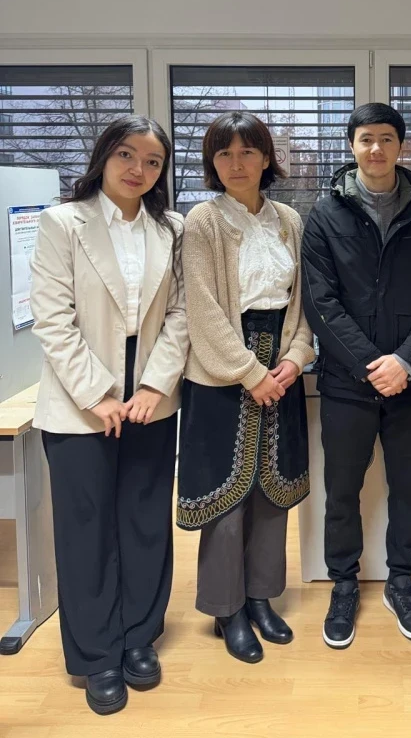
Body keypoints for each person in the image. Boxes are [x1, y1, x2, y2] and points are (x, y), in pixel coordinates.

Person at [29, 115, 188, 716]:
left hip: (150, 400)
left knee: (145, 521)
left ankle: (139, 636)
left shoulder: (171, 228)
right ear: (104, 156)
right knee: (87, 530)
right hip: (78, 404)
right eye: (126, 154)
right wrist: (98, 395)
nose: (137, 169)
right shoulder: (62, 223)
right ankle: (97, 653)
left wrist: (151, 386)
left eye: (152, 161)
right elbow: (53, 318)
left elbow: (180, 314)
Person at [301, 102, 411, 648]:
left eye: (386, 138)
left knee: (408, 488)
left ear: (400, 146)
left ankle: (401, 580)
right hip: (347, 382)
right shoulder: (325, 215)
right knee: (342, 490)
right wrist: (372, 365)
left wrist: (405, 361)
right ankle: (343, 584)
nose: (376, 148)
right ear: (352, 145)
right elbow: (321, 302)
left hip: (410, 382)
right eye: (366, 138)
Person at [177, 111, 315, 665]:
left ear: (266, 158)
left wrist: (295, 358)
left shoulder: (289, 219)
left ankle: (260, 597)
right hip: (221, 372)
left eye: (247, 152)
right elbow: (202, 308)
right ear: (212, 163)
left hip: (281, 366)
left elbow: (303, 302)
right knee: (226, 496)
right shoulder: (202, 221)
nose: (237, 163)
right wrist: (250, 372)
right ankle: (226, 609)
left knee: (271, 492)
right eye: (224, 153)